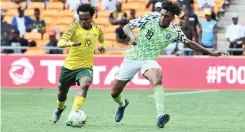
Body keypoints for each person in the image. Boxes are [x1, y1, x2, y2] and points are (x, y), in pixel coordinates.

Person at [110, 1, 226, 129]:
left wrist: (211, 52)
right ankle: (122, 104)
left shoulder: (174, 31)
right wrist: (132, 36)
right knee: (115, 92)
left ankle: (160, 116)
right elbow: (127, 26)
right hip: (132, 57)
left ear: (173, 17)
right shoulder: (150, 18)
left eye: (166, 16)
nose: (162, 18)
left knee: (157, 79)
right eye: (162, 14)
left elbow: (189, 43)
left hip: (149, 60)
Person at [51, 4, 106, 125]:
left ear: (92, 17)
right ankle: (60, 109)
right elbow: (60, 43)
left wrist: (102, 46)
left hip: (85, 66)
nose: (83, 21)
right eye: (81, 18)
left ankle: (74, 113)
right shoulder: (74, 27)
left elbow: (102, 40)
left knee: (85, 83)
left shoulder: (97, 29)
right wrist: (71, 44)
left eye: (86, 18)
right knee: (62, 94)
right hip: (69, 66)